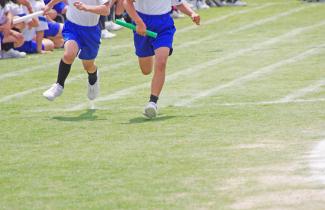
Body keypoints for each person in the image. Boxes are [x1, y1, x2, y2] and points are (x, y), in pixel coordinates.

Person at [123, 0, 200, 119]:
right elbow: (127, 3)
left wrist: (192, 13)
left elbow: (178, 3)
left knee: (161, 62)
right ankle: (156, 50)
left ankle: (152, 102)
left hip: (163, 24)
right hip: (142, 22)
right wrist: (138, 22)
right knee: (146, 70)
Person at [42, 0, 111, 101]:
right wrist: (49, 5)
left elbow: (106, 10)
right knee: (69, 54)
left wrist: (86, 7)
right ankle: (59, 85)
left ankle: (93, 77)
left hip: (91, 31)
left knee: (88, 66)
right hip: (72, 26)